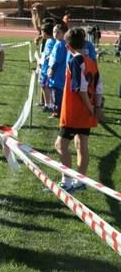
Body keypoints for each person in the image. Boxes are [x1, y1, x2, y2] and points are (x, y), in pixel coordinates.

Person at [54, 27, 104, 192]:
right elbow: (98, 88)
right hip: (87, 112)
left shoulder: (76, 60)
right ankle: (81, 181)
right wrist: (97, 107)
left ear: (68, 47)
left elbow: (81, 88)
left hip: (74, 112)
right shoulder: (91, 62)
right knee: (81, 144)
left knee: (60, 145)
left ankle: (66, 181)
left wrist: (90, 108)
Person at [47, 24, 69, 119]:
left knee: (57, 91)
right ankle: (59, 109)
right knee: (57, 91)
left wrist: (52, 69)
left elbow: (58, 59)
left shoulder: (60, 44)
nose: (55, 34)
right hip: (59, 72)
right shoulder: (58, 42)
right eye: (54, 31)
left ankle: (57, 111)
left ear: (64, 33)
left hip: (58, 73)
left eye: (58, 32)